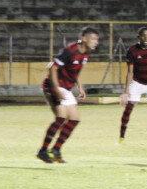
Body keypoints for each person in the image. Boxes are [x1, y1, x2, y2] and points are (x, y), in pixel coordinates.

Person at [37, 26, 100, 163]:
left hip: (65, 88)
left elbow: (73, 71)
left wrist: (80, 87)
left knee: (74, 119)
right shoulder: (70, 51)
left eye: (97, 39)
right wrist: (56, 89)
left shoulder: (86, 53)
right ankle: (43, 150)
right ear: (84, 38)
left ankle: (56, 150)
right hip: (53, 86)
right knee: (61, 117)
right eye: (93, 39)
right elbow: (53, 68)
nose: (96, 42)